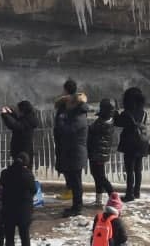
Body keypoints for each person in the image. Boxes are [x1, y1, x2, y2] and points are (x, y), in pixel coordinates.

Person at [53, 79, 89, 217]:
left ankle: (77, 207)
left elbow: (68, 130)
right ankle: (75, 205)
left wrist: (61, 119)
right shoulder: (70, 113)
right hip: (69, 151)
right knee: (73, 180)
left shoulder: (79, 116)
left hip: (75, 152)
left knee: (76, 181)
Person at [113, 86, 149, 202]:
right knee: (138, 169)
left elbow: (118, 123)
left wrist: (115, 113)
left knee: (129, 170)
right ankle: (137, 192)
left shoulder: (127, 113)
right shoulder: (144, 113)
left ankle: (129, 194)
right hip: (142, 143)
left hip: (130, 144)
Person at [0, 152, 37, 246]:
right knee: (25, 236)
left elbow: (1, 186)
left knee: (9, 237)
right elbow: (34, 190)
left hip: (8, 209)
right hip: (24, 211)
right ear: (26, 163)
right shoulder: (28, 174)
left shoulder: (5, 173)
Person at [87, 99, 117, 205]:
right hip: (98, 153)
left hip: (98, 153)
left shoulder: (103, 123)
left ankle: (114, 197)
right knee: (97, 176)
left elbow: (92, 130)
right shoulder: (108, 120)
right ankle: (99, 199)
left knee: (100, 177)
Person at [0, 100, 41, 164]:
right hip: (24, 150)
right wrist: (11, 112)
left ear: (23, 110)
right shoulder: (29, 118)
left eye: (18, 109)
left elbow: (15, 125)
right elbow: (18, 120)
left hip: (22, 151)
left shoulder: (27, 121)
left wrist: (5, 115)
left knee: (21, 167)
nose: (17, 111)